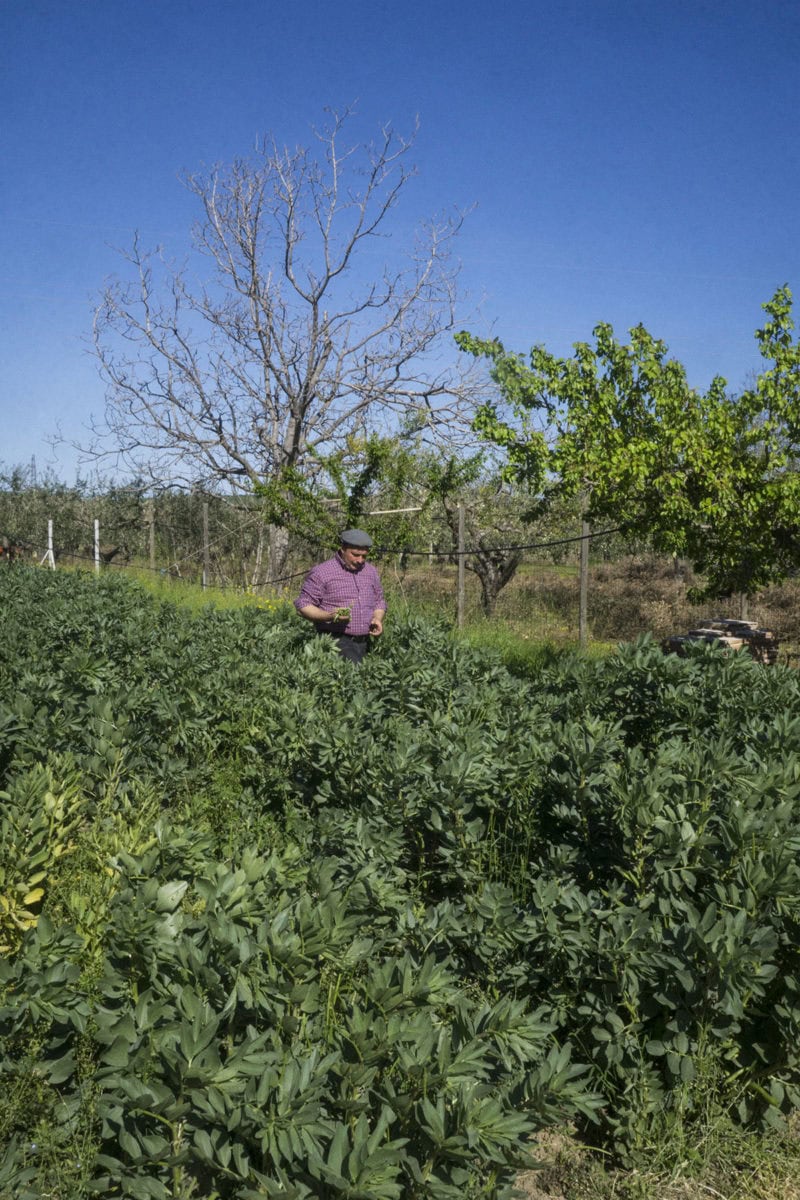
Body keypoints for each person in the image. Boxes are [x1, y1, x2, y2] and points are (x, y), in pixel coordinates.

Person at [295, 529, 386, 663]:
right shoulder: (322, 572)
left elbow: (379, 601)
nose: (360, 560)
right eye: (355, 555)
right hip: (335, 642)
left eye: (364, 556)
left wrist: (377, 619)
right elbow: (303, 605)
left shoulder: (370, 571)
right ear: (343, 549)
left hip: (366, 642)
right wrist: (330, 616)